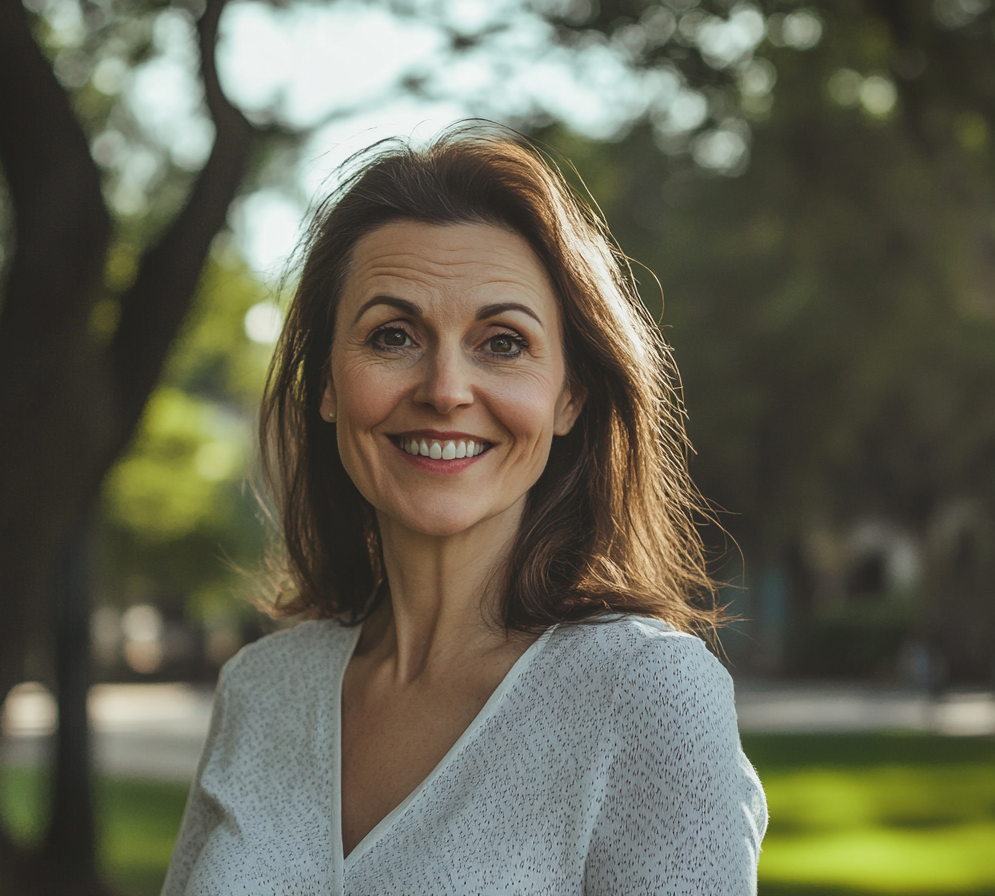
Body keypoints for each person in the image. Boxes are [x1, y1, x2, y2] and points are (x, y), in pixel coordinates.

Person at [161, 125, 767, 895]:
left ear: (569, 396)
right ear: (326, 385)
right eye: (393, 335)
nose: (445, 389)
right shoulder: (261, 689)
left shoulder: (651, 695)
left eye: (503, 343)